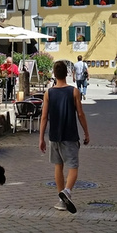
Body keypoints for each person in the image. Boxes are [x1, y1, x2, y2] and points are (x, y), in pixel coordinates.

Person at [39, 59, 90, 214]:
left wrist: (41, 137)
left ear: (54, 74)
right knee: (73, 167)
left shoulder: (49, 93)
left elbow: (44, 117)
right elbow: (80, 114)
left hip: (54, 135)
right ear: (67, 74)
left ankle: (61, 201)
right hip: (70, 134)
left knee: (58, 167)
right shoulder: (74, 91)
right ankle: (67, 191)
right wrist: (86, 132)